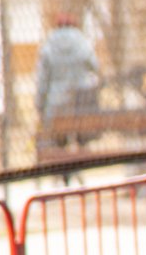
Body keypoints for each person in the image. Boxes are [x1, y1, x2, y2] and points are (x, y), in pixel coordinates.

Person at [33, 12, 100, 160]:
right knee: (82, 134)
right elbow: (95, 66)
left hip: (56, 102)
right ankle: (82, 157)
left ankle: (64, 170)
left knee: (58, 139)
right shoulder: (82, 41)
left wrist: (39, 105)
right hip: (81, 102)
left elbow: (42, 79)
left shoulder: (49, 44)